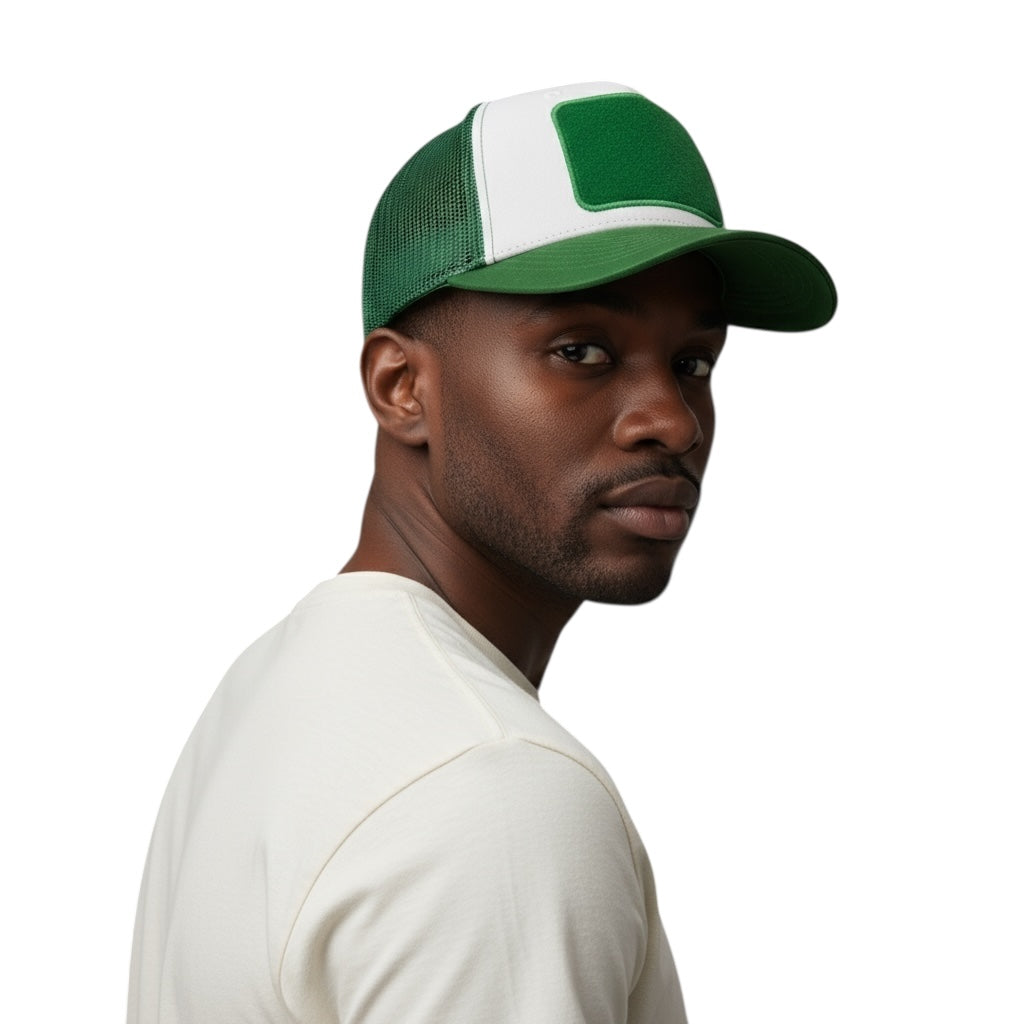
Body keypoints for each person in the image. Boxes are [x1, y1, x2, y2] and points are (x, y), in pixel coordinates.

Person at [128, 81, 836, 1023]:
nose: (672, 421)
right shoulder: (492, 791)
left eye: (692, 363)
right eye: (582, 350)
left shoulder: (278, 691)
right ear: (401, 387)